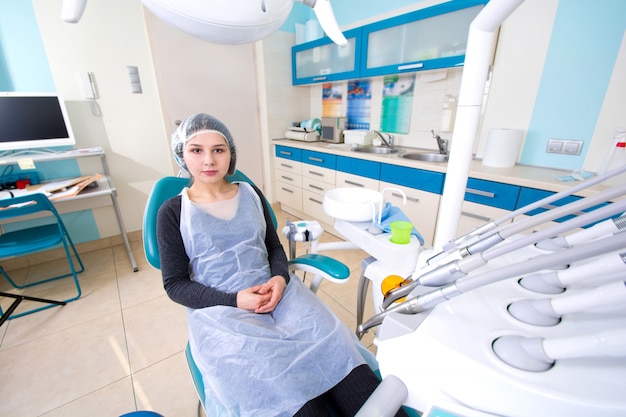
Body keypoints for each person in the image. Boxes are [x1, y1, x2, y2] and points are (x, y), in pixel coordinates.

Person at [157, 113, 409, 417]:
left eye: (218, 150)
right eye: (197, 150)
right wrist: (235, 299)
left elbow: (273, 247)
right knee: (285, 391)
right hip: (223, 312)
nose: (208, 160)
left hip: (280, 293)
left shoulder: (250, 194)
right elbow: (175, 285)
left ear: (230, 153)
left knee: (337, 357)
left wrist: (279, 278)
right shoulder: (172, 212)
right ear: (182, 154)